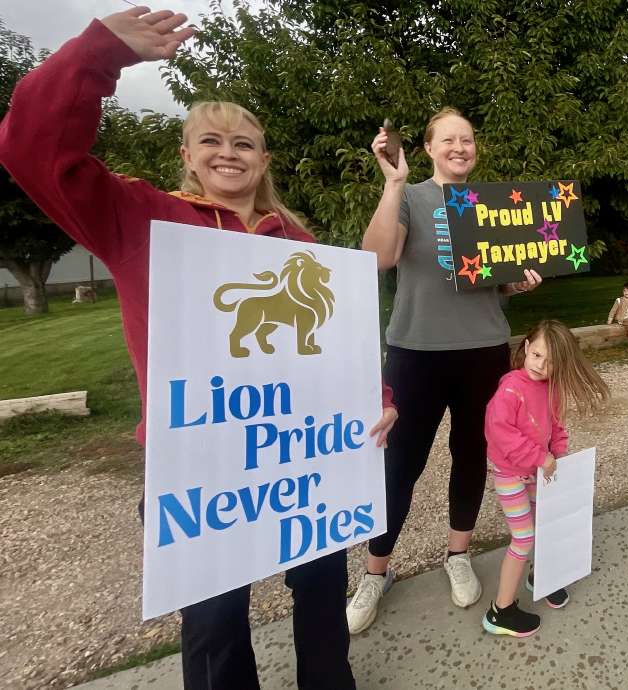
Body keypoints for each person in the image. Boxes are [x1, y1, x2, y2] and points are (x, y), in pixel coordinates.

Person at [0, 9, 399, 689]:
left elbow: (340, 341)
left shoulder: (295, 243)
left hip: (305, 455)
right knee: (214, 626)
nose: (228, 153)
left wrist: (378, 399)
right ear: (186, 154)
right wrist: (100, 56)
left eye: (244, 143)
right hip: (202, 465)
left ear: (263, 159)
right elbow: (31, 150)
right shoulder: (141, 219)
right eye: (210, 140)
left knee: (321, 598)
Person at [349, 107, 543, 632]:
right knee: (401, 466)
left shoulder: (488, 205)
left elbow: (494, 279)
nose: (460, 148)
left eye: (468, 140)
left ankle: (457, 553)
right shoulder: (410, 197)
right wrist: (393, 183)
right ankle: (376, 570)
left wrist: (516, 282)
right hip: (415, 351)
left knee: (471, 455)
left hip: (483, 348)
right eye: (449, 140)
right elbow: (376, 257)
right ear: (431, 148)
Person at [482, 320, 609, 636]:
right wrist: (540, 457)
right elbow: (499, 432)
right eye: (537, 355)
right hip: (512, 474)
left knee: (546, 526)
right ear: (526, 348)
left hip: (541, 474)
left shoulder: (553, 389)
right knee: (523, 537)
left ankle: (542, 577)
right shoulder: (510, 389)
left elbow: (557, 427)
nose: (541, 365)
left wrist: (559, 455)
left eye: (551, 362)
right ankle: (501, 611)